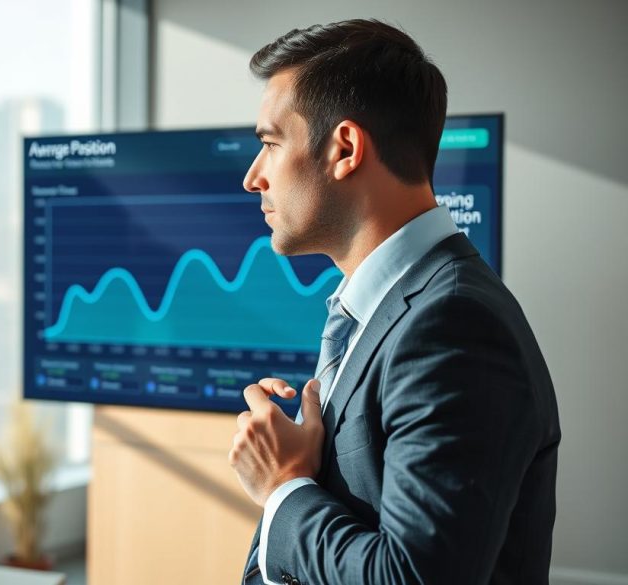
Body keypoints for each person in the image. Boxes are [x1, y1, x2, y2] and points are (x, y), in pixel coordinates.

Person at [228, 19, 560, 585]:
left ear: (345, 148)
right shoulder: (387, 307)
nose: (251, 177)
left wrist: (283, 487)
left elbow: (411, 576)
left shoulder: (454, 324)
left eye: (269, 143)